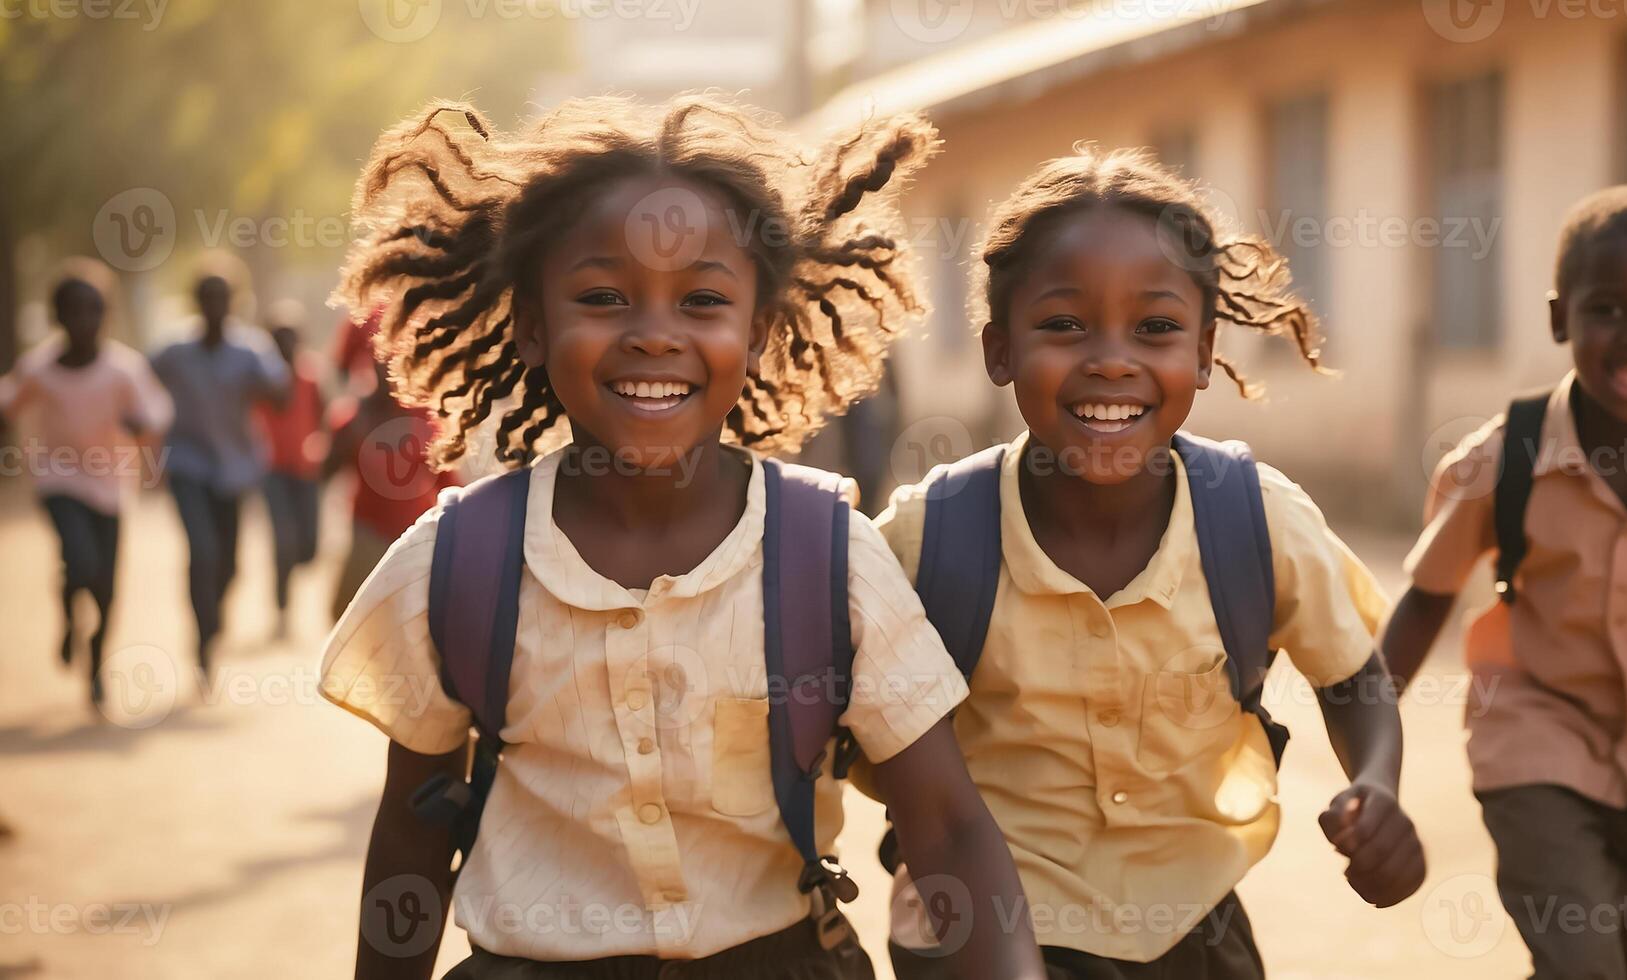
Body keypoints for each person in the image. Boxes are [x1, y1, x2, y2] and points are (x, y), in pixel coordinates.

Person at [317, 95, 1044, 980]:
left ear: (759, 329)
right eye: (602, 297)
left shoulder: (826, 553)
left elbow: (947, 824)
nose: (653, 334)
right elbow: (412, 829)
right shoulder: (459, 561)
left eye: (702, 299)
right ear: (532, 326)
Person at [868, 148, 1427, 977]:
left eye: (1155, 329)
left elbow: (1353, 678)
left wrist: (1376, 783)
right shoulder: (927, 537)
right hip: (990, 933)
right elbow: (846, 736)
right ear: (998, 350)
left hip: (1195, 933)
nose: (1111, 359)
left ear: (1203, 354)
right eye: (1063, 324)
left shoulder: (1254, 517)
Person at [1384, 184, 1627, 980]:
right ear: (1557, 317)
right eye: (1606, 309)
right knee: (1580, 960)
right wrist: (1365, 742)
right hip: (1534, 740)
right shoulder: (1502, 459)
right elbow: (1424, 600)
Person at [0, 258, 172, 707]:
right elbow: (8, 401)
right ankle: (67, 615)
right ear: (59, 317)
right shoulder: (40, 368)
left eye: (93, 311)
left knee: (106, 586)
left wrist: (140, 424)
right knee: (79, 560)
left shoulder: (122, 369)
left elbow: (157, 411)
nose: (84, 321)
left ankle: (94, 657)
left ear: (105, 315)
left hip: (111, 484)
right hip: (58, 478)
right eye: (74, 312)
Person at [150, 256, 289, 683]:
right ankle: (203, 636)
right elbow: (136, 385)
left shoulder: (251, 349)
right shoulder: (174, 351)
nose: (214, 305)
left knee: (228, 564)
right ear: (196, 302)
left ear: (233, 302)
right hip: (188, 464)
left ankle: (214, 616)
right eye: (206, 297)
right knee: (202, 550)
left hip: (235, 468)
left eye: (221, 297)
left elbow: (282, 395)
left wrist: (262, 388)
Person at [323, 353, 455, 622]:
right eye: (380, 366)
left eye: (394, 367)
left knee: (410, 615)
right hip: (368, 531)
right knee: (347, 611)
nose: (387, 375)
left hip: (414, 533)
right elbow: (325, 471)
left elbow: (447, 478)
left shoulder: (423, 417)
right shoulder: (353, 416)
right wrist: (347, 439)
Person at [254, 299, 327, 637]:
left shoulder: (311, 376)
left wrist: (323, 450)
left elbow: (323, 415)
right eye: (278, 338)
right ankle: (282, 608)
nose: (285, 345)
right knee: (283, 540)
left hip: (306, 470)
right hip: (272, 471)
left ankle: (292, 565)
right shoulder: (261, 377)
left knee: (309, 547)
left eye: (291, 338)